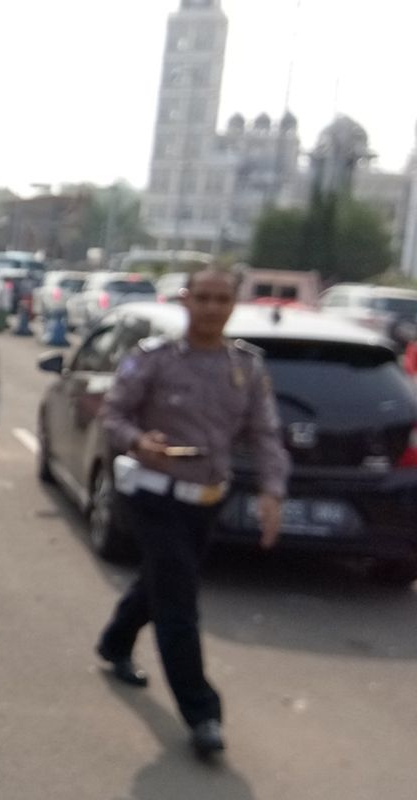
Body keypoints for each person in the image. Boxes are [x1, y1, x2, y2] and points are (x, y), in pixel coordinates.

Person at [94, 268, 289, 758]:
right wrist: (139, 440)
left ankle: (115, 642)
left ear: (233, 304)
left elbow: (264, 434)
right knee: (178, 601)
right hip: (154, 497)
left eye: (221, 298)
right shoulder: (154, 359)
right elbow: (113, 414)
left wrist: (271, 491)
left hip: (206, 502)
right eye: (201, 297)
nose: (210, 307)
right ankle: (202, 713)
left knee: (161, 582)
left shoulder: (246, 367)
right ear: (185, 301)